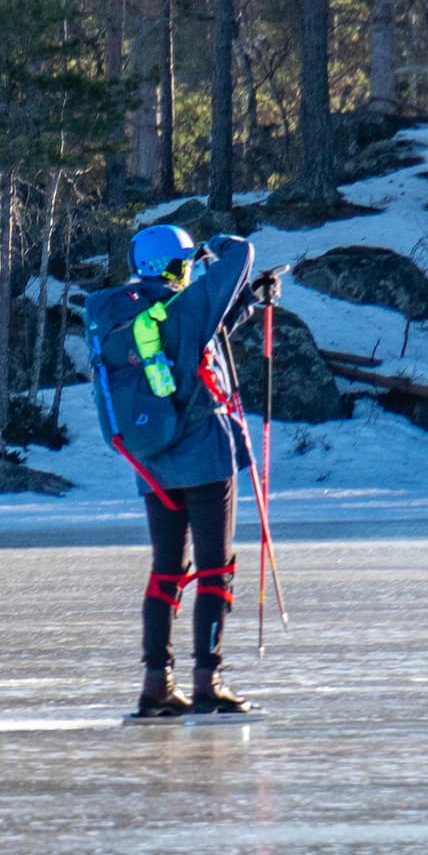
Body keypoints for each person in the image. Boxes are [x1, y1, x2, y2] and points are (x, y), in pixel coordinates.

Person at [82, 222, 273, 717]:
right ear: (177, 263)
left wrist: (247, 301)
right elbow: (241, 254)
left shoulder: (123, 310)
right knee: (216, 569)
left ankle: (155, 684)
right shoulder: (183, 306)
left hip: (150, 465)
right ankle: (208, 680)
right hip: (205, 457)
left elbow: (195, 340)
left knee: (166, 570)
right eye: (185, 261)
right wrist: (217, 247)